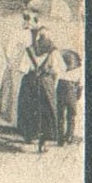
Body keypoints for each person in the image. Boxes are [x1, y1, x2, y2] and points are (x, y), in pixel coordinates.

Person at [16, 23, 60, 152]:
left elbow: (22, 69)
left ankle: (28, 136)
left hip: (30, 82)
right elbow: (56, 71)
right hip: (46, 82)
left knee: (28, 108)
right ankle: (44, 141)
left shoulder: (29, 49)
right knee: (47, 111)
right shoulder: (53, 51)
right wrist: (53, 85)